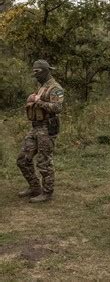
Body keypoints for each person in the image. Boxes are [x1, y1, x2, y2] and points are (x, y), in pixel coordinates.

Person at [17, 60, 64, 203]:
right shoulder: (42, 86)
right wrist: (32, 100)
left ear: (45, 71)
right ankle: (35, 187)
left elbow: (57, 108)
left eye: (37, 72)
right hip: (36, 127)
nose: (35, 75)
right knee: (23, 159)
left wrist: (39, 102)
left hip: (47, 128)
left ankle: (47, 193)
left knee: (44, 162)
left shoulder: (55, 88)